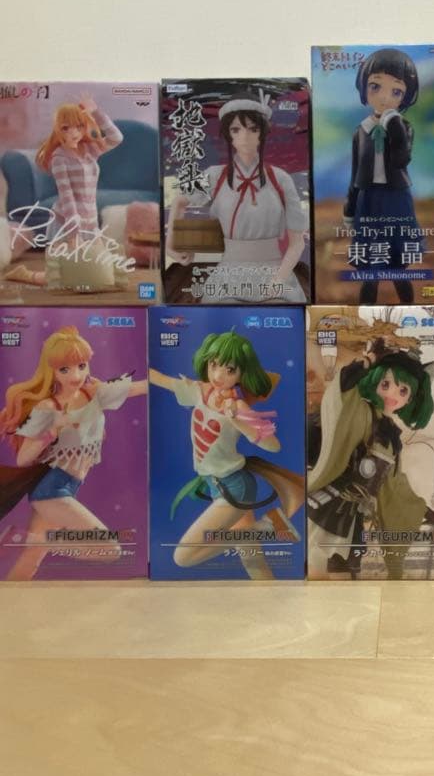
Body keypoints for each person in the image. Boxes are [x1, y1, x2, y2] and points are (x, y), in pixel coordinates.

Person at [149, 329, 304, 579]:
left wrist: (237, 420)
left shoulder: (237, 406)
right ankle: (268, 595)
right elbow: (161, 379)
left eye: (230, 370)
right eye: (214, 365)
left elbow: (273, 445)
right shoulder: (200, 391)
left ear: (242, 374)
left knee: (183, 556)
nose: (219, 375)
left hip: (234, 488)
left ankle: (268, 526)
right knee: (253, 561)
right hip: (216, 484)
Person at [0, 326, 146, 580]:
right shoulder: (48, 407)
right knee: (109, 549)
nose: (76, 375)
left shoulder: (94, 394)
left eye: (81, 366)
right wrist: (51, 431)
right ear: (52, 371)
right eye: (65, 369)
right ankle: (18, 538)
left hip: (69, 486)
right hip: (51, 489)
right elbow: (23, 459)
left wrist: (177, 382)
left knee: (32, 556)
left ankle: (12, 596)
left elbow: (140, 387)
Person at [307, 336, 434, 579]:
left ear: (411, 399)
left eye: (403, 390)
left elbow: (393, 483)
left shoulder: (391, 435)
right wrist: (369, 360)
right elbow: (342, 390)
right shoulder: (359, 411)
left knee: (348, 563)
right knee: (325, 562)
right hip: (329, 503)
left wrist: (424, 510)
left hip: (355, 512)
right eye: (386, 384)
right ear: (374, 381)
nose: (393, 393)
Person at [167, 89, 307, 303]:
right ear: (228, 135)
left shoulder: (281, 178)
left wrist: (278, 280)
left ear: (262, 133)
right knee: (223, 309)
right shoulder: (215, 175)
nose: (244, 136)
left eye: (253, 129)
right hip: (229, 272)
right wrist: (171, 246)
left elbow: (297, 242)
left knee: (280, 307)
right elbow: (179, 201)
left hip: (274, 270)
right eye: (236, 129)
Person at [1, 94, 128, 290]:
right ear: (59, 130)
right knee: (63, 277)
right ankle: (24, 274)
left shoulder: (89, 150)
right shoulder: (59, 158)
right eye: (66, 128)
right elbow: (66, 195)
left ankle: (26, 273)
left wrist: (96, 112)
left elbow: (116, 138)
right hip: (67, 220)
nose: (74, 133)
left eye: (79, 126)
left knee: (96, 269)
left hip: (90, 219)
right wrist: (73, 231)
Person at [344, 49, 420, 305]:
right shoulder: (360, 131)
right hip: (368, 199)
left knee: (398, 267)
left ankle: (411, 313)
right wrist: (349, 208)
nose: (385, 97)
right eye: (375, 86)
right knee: (370, 270)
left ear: (406, 96)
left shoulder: (404, 127)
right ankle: (365, 317)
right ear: (364, 88)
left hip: (396, 199)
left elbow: (401, 159)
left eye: (396, 91)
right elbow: (355, 172)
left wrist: (392, 123)